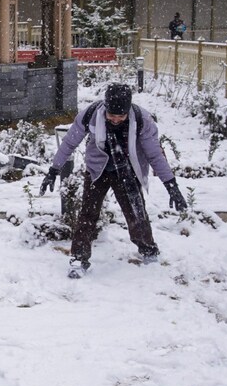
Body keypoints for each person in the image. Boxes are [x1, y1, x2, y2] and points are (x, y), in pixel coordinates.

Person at [40, 83, 186, 278]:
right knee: (87, 215)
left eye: (121, 116)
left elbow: (155, 155)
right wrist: (53, 169)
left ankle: (149, 251)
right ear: (106, 108)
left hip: (127, 169)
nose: (116, 120)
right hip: (97, 170)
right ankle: (78, 259)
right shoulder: (91, 114)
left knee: (136, 212)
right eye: (112, 115)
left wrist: (171, 185)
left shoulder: (142, 120)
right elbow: (69, 143)